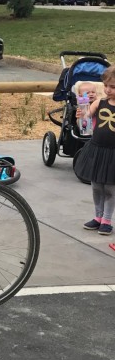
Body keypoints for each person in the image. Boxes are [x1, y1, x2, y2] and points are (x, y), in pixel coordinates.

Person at [74, 66, 115, 236]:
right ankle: (97, 217)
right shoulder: (100, 102)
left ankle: (107, 219)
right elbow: (86, 123)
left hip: (113, 153)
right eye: (106, 86)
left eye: (113, 87)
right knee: (96, 186)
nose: (107, 90)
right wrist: (81, 116)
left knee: (110, 189)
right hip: (97, 149)